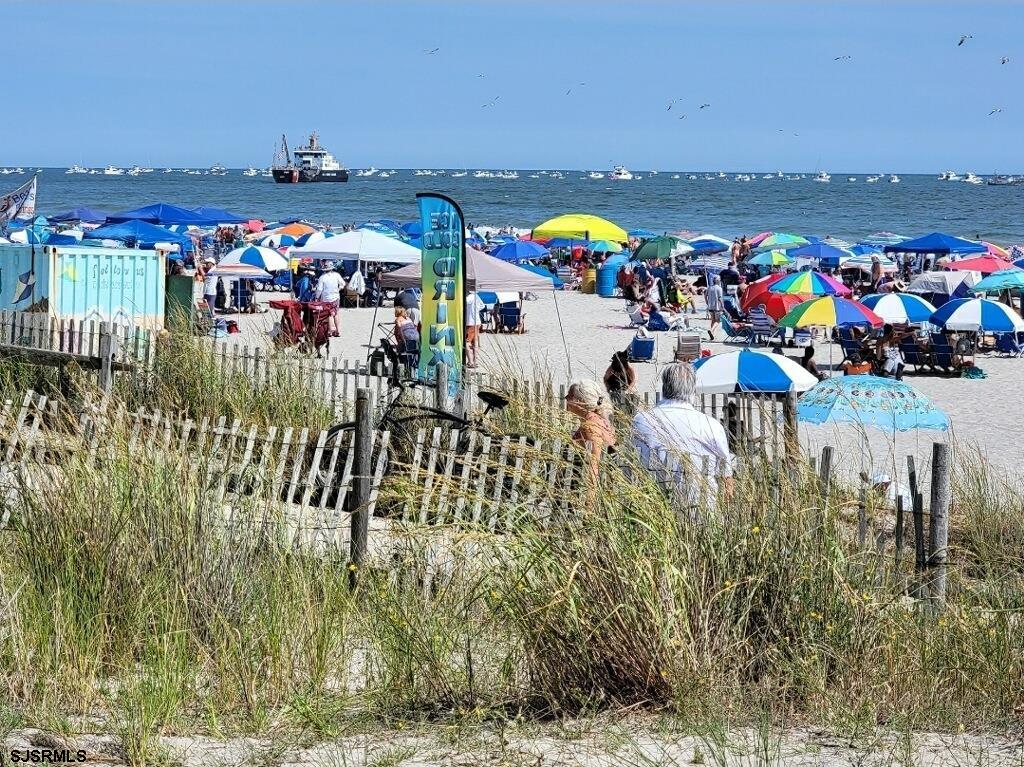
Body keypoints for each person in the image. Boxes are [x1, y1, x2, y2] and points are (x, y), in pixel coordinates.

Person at [632, 363, 735, 509]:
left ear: (664, 387)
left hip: (652, 509)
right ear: (693, 389)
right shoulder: (711, 426)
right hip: (701, 511)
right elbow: (726, 480)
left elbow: (630, 465)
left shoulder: (640, 420)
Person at [565, 380, 617, 477]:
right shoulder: (600, 419)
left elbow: (593, 466)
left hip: (583, 486)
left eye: (569, 396)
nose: (566, 399)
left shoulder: (591, 426)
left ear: (580, 401)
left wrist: (590, 491)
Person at [314, 260, 345, 337]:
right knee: (336, 314)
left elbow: (319, 289)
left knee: (329, 315)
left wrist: (317, 297)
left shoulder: (322, 277)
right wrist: (338, 289)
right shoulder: (337, 275)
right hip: (336, 297)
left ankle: (330, 331)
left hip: (326, 299)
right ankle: (338, 331)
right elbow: (343, 284)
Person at [603, 349, 638, 414]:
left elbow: (634, 380)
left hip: (628, 386)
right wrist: (608, 388)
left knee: (632, 406)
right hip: (615, 387)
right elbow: (605, 379)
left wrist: (628, 390)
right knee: (617, 407)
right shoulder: (612, 368)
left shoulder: (629, 368)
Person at [465, 290, 485, 368]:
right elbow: (482, 306)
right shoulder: (476, 296)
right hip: (477, 321)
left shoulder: (467, 298)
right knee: (475, 341)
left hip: (469, 322)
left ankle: (470, 362)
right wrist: (475, 310)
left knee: (467, 342)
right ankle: (475, 361)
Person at [705, 275, 724, 340]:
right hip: (717, 307)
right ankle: (711, 330)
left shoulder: (709, 287)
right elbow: (720, 298)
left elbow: (705, 296)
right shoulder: (719, 288)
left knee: (713, 320)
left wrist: (707, 302)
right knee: (718, 321)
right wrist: (722, 306)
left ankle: (713, 335)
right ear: (718, 281)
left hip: (710, 306)